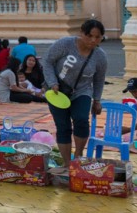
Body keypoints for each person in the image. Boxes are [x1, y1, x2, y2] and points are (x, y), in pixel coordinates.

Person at [42, 19, 108, 163]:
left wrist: (97, 100)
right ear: (82, 33)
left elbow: (99, 79)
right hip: (57, 92)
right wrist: (52, 82)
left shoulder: (100, 56)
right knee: (63, 126)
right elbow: (47, 61)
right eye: (89, 36)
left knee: (82, 120)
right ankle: (67, 163)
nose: (93, 40)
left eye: (97, 37)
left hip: (82, 91)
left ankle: (78, 157)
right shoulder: (65, 44)